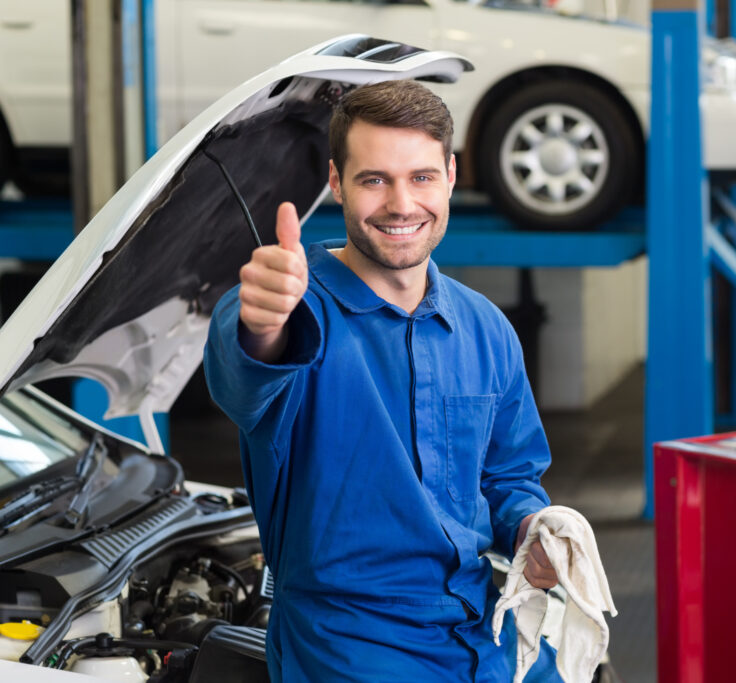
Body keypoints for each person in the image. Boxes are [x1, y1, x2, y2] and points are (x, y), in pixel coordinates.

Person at [204, 79, 562, 681]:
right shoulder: (297, 307)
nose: (401, 204)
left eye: (421, 177)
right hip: (351, 646)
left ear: (450, 176)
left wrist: (534, 529)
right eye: (374, 180)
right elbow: (242, 377)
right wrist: (260, 325)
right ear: (336, 182)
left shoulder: (485, 328)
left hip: (485, 628)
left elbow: (508, 476)